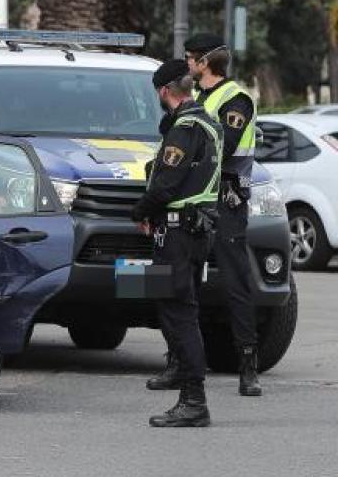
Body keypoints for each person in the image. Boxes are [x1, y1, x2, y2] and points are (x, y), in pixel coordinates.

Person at [131, 59, 222, 428]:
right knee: (172, 306)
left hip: (179, 234)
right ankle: (181, 380)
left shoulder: (185, 128)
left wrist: (138, 211)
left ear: (164, 91)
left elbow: (167, 183)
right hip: (191, 231)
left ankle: (193, 400)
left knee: (179, 313)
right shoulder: (208, 122)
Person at [178, 32, 261, 397]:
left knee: (235, 282)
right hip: (197, 198)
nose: (187, 65)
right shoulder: (198, 97)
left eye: (189, 58)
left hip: (227, 200)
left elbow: (222, 146)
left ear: (203, 62)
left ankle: (248, 367)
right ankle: (178, 361)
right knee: (183, 279)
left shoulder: (237, 99)